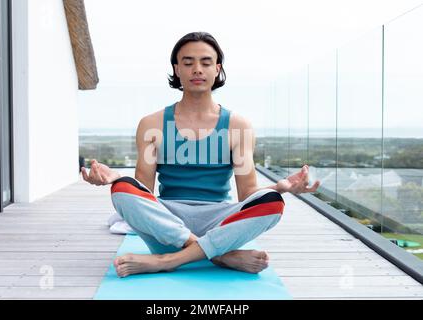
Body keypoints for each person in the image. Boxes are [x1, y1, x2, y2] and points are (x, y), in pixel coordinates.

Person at [81, 32, 320, 278]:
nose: (197, 69)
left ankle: (167, 260)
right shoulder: (152, 124)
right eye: (188, 62)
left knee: (272, 202)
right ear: (176, 69)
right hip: (167, 224)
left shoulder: (238, 126)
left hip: (218, 221)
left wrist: (280, 187)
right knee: (122, 189)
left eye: (205, 63)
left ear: (217, 69)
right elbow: (144, 190)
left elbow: (247, 194)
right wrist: (115, 178)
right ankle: (220, 256)